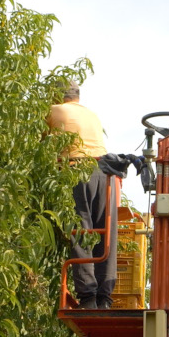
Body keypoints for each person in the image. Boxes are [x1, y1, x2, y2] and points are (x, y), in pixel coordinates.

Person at [47, 80, 115, 309]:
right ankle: (104, 298)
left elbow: (36, 148)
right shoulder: (92, 115)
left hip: (76, 171)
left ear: (56, 95)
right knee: (106, 235)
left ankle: (88, 298)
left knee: (80, 228)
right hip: (107, 175)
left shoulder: (52, 111)